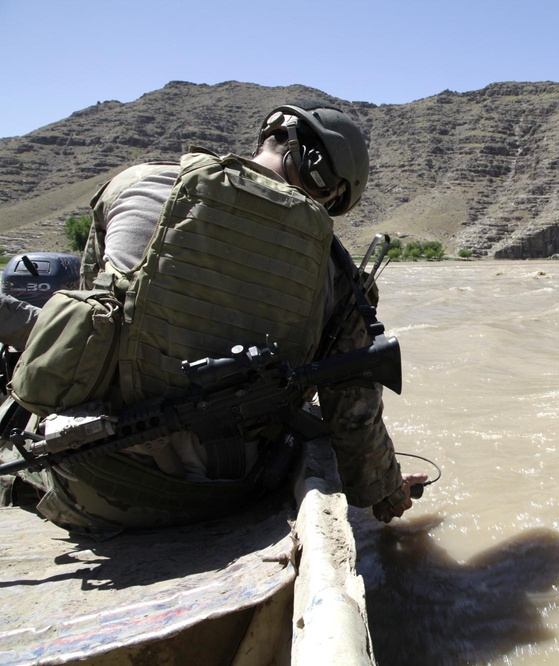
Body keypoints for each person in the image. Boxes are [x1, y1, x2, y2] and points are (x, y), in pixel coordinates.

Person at [0, 100, 425, 535]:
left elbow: (93, 309)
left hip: (89, 479)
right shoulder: (338, 272)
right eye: (331, 200)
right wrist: (387, 490)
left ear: (270, 138)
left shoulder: (135, 184)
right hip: (226, 493)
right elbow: (354, 413)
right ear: (323, 176)